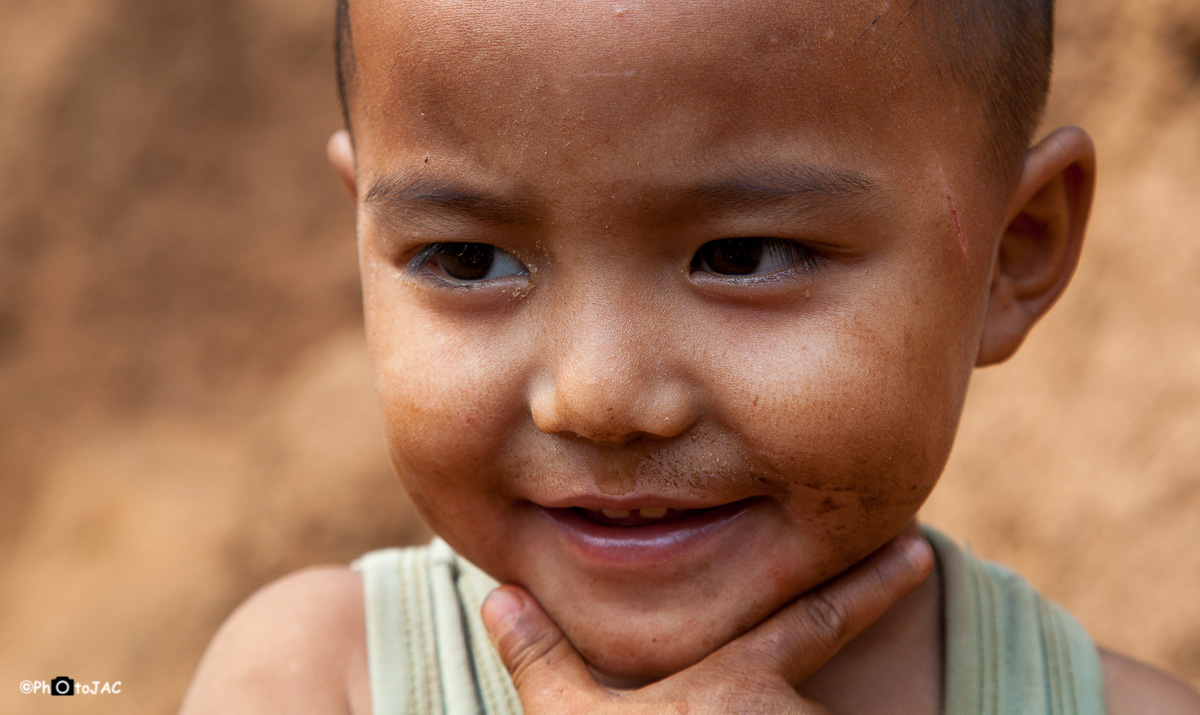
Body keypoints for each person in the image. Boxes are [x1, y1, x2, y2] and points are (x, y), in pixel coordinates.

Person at [181, 0, 1200, 712]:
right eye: (467, 258)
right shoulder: (316, 679)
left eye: (742, 256)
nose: (599, 396)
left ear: (1012, 255)